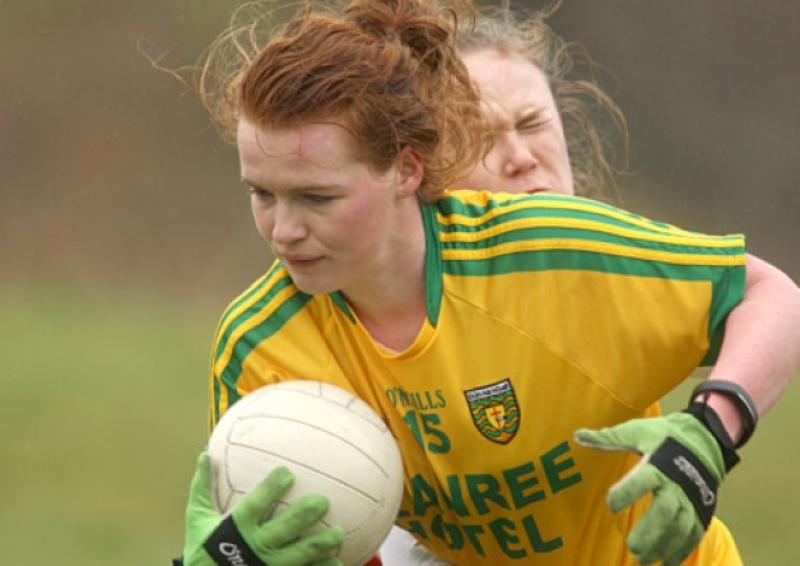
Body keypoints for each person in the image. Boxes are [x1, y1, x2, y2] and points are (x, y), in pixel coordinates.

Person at [175, 1, 800, 565]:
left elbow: (768, 295)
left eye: (317, 197)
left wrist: (708, 432)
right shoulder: (260, 350)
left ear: (406, 170)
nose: (282, 231)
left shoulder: (546, 253)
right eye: (262, 194)